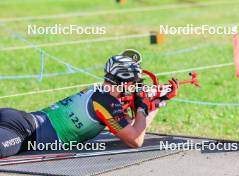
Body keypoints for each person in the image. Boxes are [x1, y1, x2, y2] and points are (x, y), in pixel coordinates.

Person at [0, 49, 178, 158]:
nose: (137, 87)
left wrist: (155, 103)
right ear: (126, 83)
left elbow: (130, 129)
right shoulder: (107, 103)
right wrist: (143, 107)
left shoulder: (100, 92)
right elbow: (135, 140)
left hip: (20, 121)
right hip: (24, 132)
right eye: (136, 83)